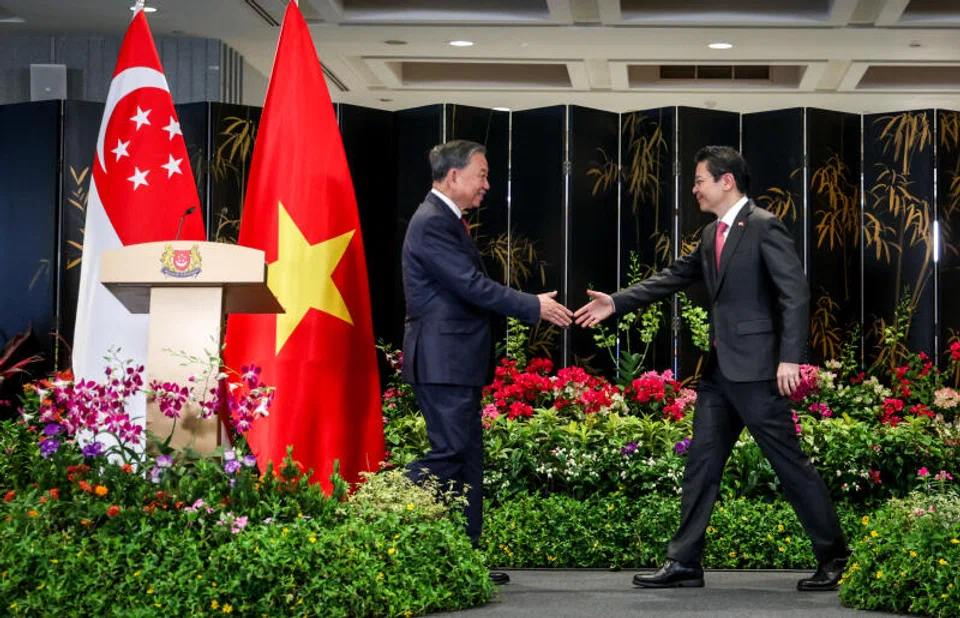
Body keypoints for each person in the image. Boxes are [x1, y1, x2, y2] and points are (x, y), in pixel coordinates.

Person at [574, 145, 848, 592]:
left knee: (789, 465)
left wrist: (790, 358)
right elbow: (673, 276)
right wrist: (617, 302)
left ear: (727, 181)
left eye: (700, 180)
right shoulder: (709, 235)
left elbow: (794, 294)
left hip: (760, 372)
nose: (695, 189)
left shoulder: (763, 226)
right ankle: (684, 562)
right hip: (720, 374)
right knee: (701, 463)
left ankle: (835, 557)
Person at [401, 139, 573, 585]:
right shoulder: (432, 222)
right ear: (453, 176)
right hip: (442, 363)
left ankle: (465, 559)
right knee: (451, 454)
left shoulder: (445, 220)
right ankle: (381, 500)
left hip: (455, 363)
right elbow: (472, 287)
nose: (487, 185)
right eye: (482, 175)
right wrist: (532, 305)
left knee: (467, 461)